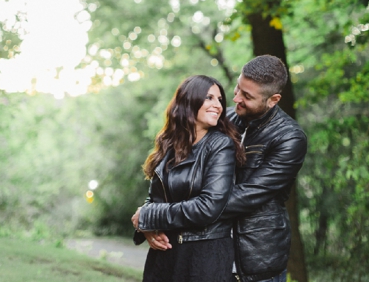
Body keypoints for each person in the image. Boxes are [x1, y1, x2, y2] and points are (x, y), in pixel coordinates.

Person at [143, 56, 308, 282]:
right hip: (207, 253)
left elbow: (239, 198)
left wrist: (158, 215)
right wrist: (150, 216)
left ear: (273, 99)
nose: (236, 98)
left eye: (247, 96)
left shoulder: (290, 138)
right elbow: (179, 175)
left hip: (255, 259)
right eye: (238, 88)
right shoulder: (223, 118)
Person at [131, 74, 246, 282]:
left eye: (220, 100)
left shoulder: (221, 146)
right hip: (164, 255)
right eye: (209, 98)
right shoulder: (169, 144)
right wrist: (147, 228)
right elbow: (155, 198)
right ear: (188, 100)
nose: (218, 105)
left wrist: (148, 215)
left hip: (203, 257)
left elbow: (208, 206)